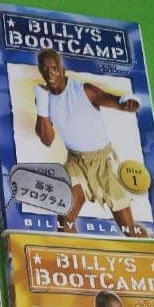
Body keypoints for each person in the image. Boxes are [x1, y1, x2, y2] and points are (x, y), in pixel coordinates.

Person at [34, 48, 142, 236]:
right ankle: (71, 254)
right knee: (65, 216)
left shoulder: (84, 90)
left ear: (62, 69)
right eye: (45, 69)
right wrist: (42, 105)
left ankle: (152, 244)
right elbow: (47, 140)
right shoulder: (44, 97)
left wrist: (128, 103)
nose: (50, 73)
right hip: (75, 161)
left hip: (103, 162)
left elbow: (116, 101)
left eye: (54, 68)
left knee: (129, 230)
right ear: (40, 70)